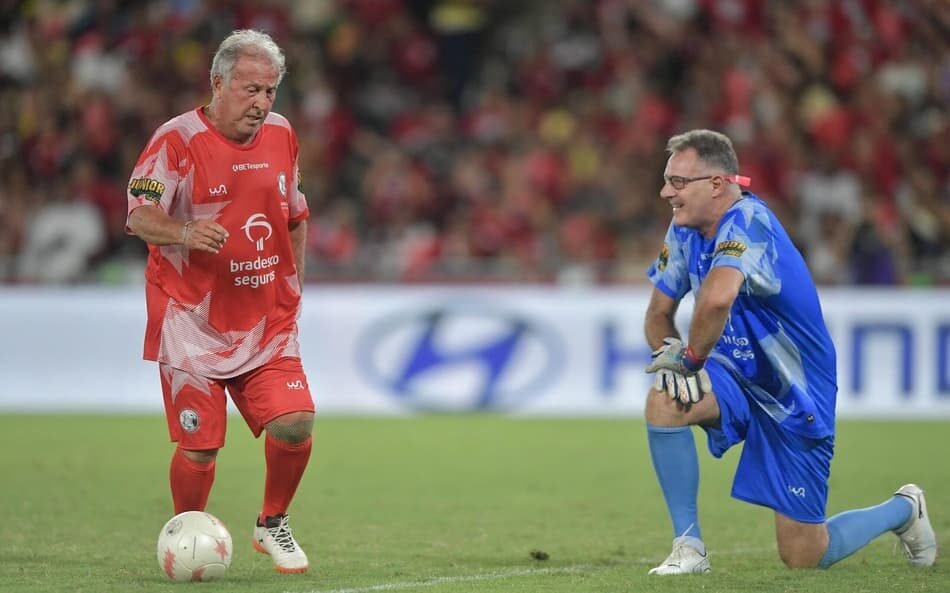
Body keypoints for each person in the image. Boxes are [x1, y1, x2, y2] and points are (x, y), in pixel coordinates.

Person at [641, 129, 937, 574]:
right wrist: (670, 356)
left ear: (718, 184)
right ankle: (689, 547)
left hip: (795, 391)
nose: (667, 192)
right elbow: (658, 313)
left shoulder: (749, 222)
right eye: (667, 181)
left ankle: (904, 509)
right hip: (735, 375)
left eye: (678, 182)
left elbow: (718, 297)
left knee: (805, 554)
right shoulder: (683, 229)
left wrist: (691, 360)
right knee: (665, 399)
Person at [126, 30, 314, 574]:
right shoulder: (176, 140)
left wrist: (295, 284)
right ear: (218, 83)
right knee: (200, 448)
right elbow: (140, 215)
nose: (262, 103)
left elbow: (296, 215)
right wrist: (184, 231)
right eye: (251, 89)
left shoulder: (282, 135)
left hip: (265, 320)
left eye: (270, 92)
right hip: (190, 320)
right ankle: (185, 535)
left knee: (296, 422)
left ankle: (271, 523)